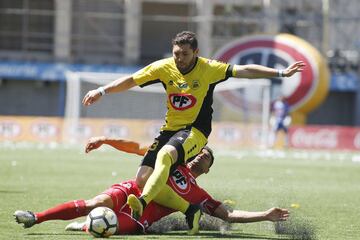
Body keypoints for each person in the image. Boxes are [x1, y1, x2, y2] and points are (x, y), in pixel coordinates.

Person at [82, 31, 304, 233]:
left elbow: (244, 70)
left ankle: (143, 202)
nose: (180, 59)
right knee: (142, 179)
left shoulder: (209, 68)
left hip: (195, 131)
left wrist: (282, 72)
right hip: (169, 130)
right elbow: (132, 79)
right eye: (176, 53)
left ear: (196, 52)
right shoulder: (163, 67)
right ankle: (189, 210)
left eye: (185, 54)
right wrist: (102, 90)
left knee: (165, 155)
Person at [14, 137, 289, 235]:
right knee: (94, 204)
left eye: (208, 156)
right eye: (201, 151)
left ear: (208, 169)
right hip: (130, 190)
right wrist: (107, 140)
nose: (203, 154)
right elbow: (136, 148)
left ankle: (87, 225)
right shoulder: (171, 157)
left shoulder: (200, 195)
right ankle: (35, 218)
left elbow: (227, 215)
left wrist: (264, 215)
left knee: (105, 227)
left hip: (141, 217)